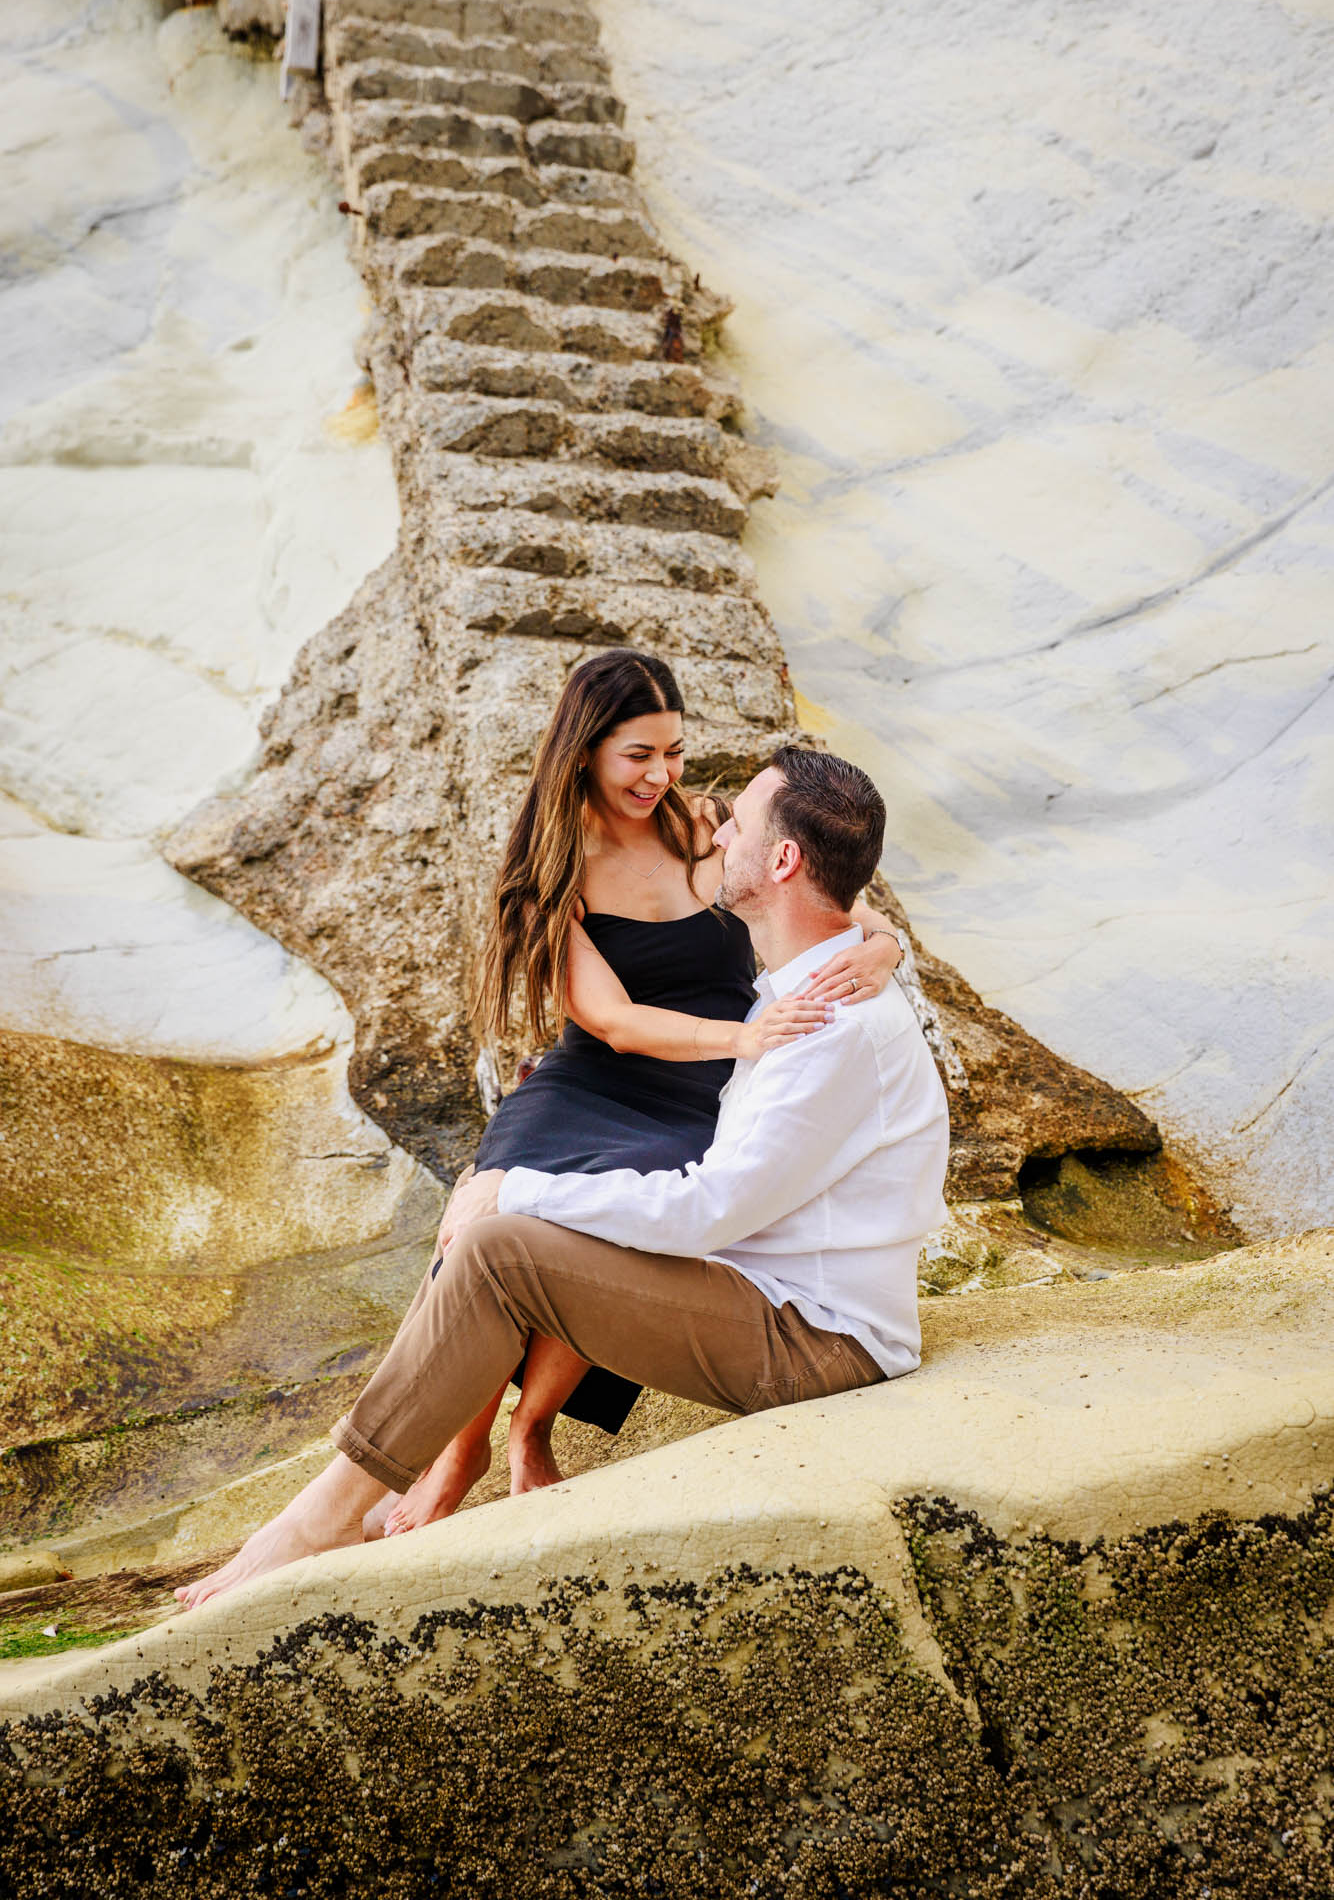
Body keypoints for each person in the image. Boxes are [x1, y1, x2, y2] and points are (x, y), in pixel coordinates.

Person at [175, 744, 950, 1611]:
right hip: (774, 1291)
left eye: (739, 822)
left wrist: (515, 1188)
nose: (716, 829)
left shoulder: (830, 1024)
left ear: (782, 862)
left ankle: (319, 1519)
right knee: (531, 1225)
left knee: (506, 1243)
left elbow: (709, 1209)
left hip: (815, 1338)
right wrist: (883, 945)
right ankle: (383, 1483)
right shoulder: (807, 985)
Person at [374, 648, 906, 1534]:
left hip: (709, 1093)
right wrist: (748, 1035)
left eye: (675, 752)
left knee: (603, 1228)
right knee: (485, 1221)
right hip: (600, 1079)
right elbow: (613, 1020)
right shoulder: (550, 868)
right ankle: (452, 1452)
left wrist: (881, 952)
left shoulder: (704, 825)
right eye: (638, 755)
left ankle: (530, 1427)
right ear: (584, 750)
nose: (661, 775)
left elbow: (842, 903)